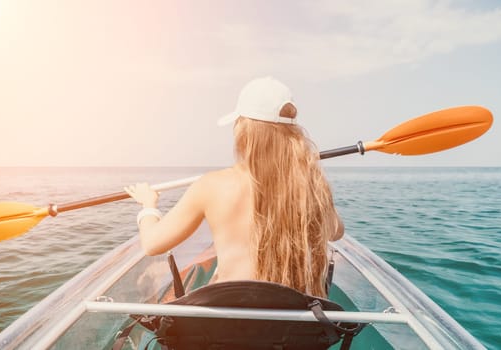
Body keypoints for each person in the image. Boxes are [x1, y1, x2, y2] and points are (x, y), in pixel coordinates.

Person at [125, 76, 343, 298]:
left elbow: (152, 244)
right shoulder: (312, 185)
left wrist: (148, 205)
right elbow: (336, 232)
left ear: (243, 130)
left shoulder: (211, 185)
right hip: (293, 323)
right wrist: (306, 177)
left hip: (229, 319)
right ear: (292, 134)